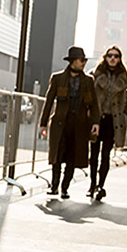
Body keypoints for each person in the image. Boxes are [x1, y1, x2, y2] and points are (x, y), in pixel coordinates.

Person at [39, 46, 100, 199]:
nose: (84, 63)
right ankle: (54, 186)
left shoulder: (88, 81)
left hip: (79, 124)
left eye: (85, 60)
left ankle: (65, 188)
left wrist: (95, 122)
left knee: (73, 157)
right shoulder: (58, 78)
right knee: (57, 156)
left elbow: (93, 104)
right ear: (73, 61)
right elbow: (49, 101)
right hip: (60, 123)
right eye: (81, 60)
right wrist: (43, 123)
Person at [88, 46, 127, 201]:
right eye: (110, 55)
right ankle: (92, 184)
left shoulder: (124, 78)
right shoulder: (95, 75)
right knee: (93, 153)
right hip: (97, 119)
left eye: (116, 56)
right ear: (105, 57)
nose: (113, 58)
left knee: (106, 154)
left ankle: (100, 185)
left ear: (120, 59)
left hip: (113, 121)